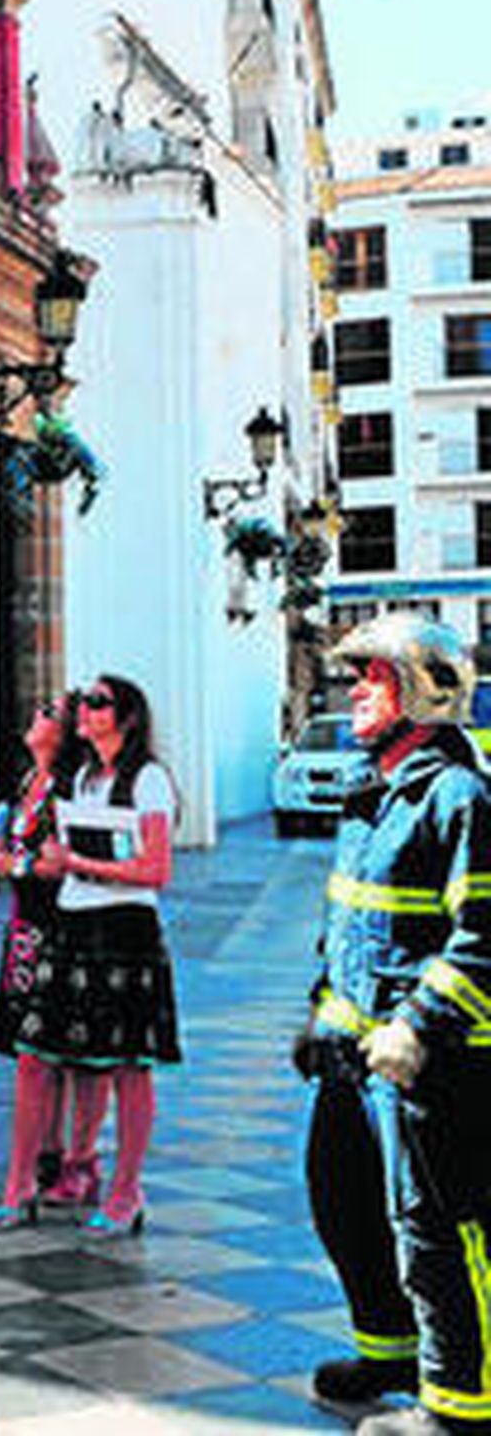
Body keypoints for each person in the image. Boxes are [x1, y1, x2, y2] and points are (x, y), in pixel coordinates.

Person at [295, 614, 491, 1436]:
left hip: (428, 1064)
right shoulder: (372, 788)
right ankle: (389, 1354)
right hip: (352, 1056)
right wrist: (319, 1013)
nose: (356, 690)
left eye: (373, 676)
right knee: (343, 1204)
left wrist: (416, 1026)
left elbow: (483, 935)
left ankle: (460, 1407)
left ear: (423, 688)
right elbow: (351, 924)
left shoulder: (458, 796)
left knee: (438, 1227)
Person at [29, 674, 180, 1235]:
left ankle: (127, 1189)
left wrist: (79, 864)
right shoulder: (83, 777)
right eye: (83, 703)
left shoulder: (149, 780)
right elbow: (61, 857)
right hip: (75, 923)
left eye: (98, 702)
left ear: (128, 716)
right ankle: (83, 1167)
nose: (85, 711)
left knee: (129, 1066)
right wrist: (42, 863)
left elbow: (156, 870)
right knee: (81, 1058)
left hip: (126, 929)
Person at [0, 689, 89, 1229]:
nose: (35, 717)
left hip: (56, 929)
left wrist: (11, 866)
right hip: (25, 929)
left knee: (44, 1054)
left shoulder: (67, 789)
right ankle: (51, 1154)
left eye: (47, 714)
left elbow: (61, 863)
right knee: (39, 1052)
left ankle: (33, 1174)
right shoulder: (30, 782)